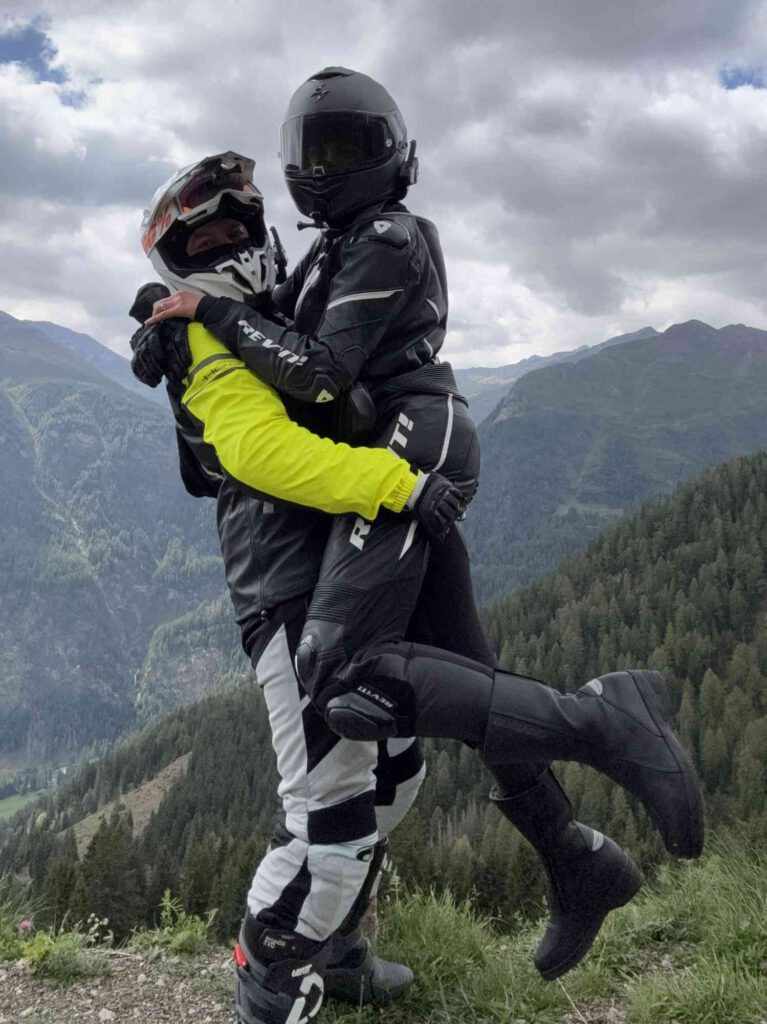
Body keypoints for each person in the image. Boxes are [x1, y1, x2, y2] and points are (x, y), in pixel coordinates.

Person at [135, 71, 702, 1024]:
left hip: (386, 485)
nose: (229, 248)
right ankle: (567, 848)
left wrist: (217, 323)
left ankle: (311, 959)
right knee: (379, 742)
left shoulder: (336, 266)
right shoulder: (238, 315)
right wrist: (187, 357)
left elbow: (320, 386)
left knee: (364, 733)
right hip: (297, 558)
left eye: (237, 228)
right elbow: (237, 452)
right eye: (206, 243)